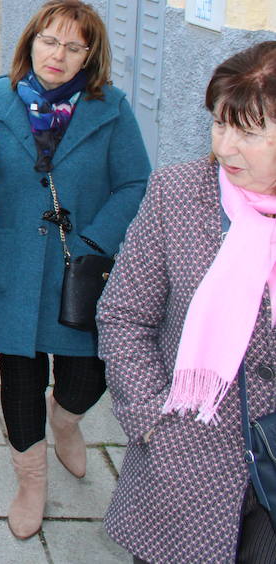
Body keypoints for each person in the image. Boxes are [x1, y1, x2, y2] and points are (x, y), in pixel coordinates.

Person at [0, 0, 150, 539]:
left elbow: (135, 183)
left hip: (81, 269)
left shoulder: (111, 108)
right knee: (20, 377)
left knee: (87, 375)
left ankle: (67, 418)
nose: (58, 54)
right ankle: (31, 481)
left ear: (88, 56)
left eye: (74, 46)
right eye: (49, 40)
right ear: (30, 42)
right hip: (12, 263)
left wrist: (96, 238)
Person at [98, 42, 276, 564]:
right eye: (219, 124)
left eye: (248, 132)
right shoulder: (178, 193)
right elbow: (124, 314)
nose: (224, 148)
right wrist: (151, 418)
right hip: (187, 466)